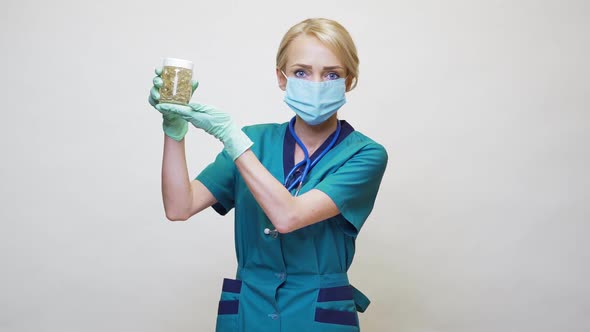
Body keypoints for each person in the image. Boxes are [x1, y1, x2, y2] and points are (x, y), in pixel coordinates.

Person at [148, 17, 388, 332]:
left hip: (316, 313)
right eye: (301, 72)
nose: (315, 84)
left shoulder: (364, 154)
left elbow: (288, 217)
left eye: (331, 74)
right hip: (250, 307)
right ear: (282, 78)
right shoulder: (256, 141)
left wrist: (232, 140)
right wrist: (174, 132)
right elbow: (179, 207)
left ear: (349, 80)